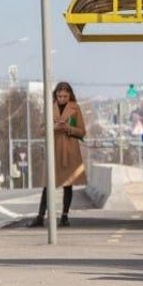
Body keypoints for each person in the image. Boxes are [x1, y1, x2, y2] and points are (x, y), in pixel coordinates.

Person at [31, 81, 87, 227]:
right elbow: (42, 130)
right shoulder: (50, 108)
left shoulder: (75, 108)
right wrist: (54, 127)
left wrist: (68, 128)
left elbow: (82, 131)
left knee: (68, 184)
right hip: (53, 149)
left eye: (65, 96)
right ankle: (40, 216)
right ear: (55, 95)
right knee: (47, 184)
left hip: (69, 150)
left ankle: (64, 216)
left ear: (70, 96)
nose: (62, 98)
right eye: (59, 95)